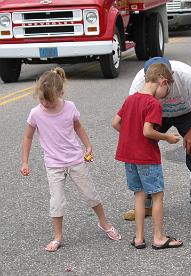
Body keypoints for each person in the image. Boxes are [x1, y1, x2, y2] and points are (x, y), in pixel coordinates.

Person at [20, 67, 121, 252]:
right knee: (56, 201)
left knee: (90, 194)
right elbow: (28, 137)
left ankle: (104, 223)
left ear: (60, 94)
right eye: (41, 99)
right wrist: (25, 161)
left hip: (75, 159)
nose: (44, 103)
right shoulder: (36, 113)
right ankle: (58, 236)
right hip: (54, 164)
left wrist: (88, 146)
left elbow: (78, 127)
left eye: (48, 100)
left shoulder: (70, 107)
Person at [123, 57, 191, 226]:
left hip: (188, 112)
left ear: (168, 79)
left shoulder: (188, 76)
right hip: (154, 114)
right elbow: (134, 109)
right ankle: (146, 202)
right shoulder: (139, 81)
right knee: (143, 155)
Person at [112, 63, 183, 249]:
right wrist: (167, 137)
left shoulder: (130, 99)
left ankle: (138, 238)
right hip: (146, 157)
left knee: (139, 194)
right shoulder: (153, 104)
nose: (166, 95)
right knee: (157, 195)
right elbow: (147, 132)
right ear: (163, 81)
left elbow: (115, 123)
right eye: (167, 90)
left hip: (129, 156)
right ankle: (159, 237)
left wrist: (130, 136)